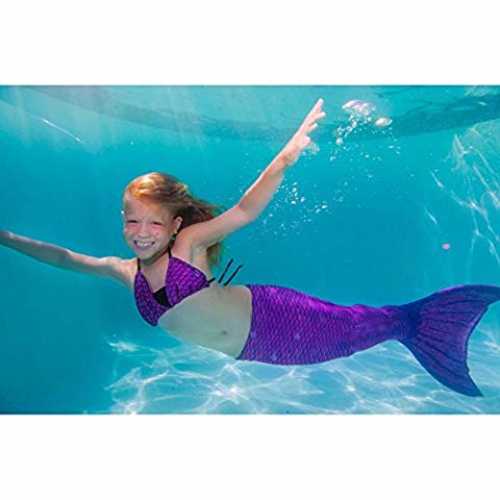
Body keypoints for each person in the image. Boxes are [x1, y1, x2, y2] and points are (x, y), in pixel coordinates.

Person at [1, 98, 499, 398]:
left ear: (176, 225)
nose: (142, 231)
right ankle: (422, 325)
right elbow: (64, 258)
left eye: (154, 221)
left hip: (278, 317)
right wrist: (6, 237)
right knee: (367, 333)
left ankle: (427, 320)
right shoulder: (124, 271)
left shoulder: (189, 246)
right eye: (132, 220)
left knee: (374, 326)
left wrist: (287, 154)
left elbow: (243, 211)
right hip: (261, 350)